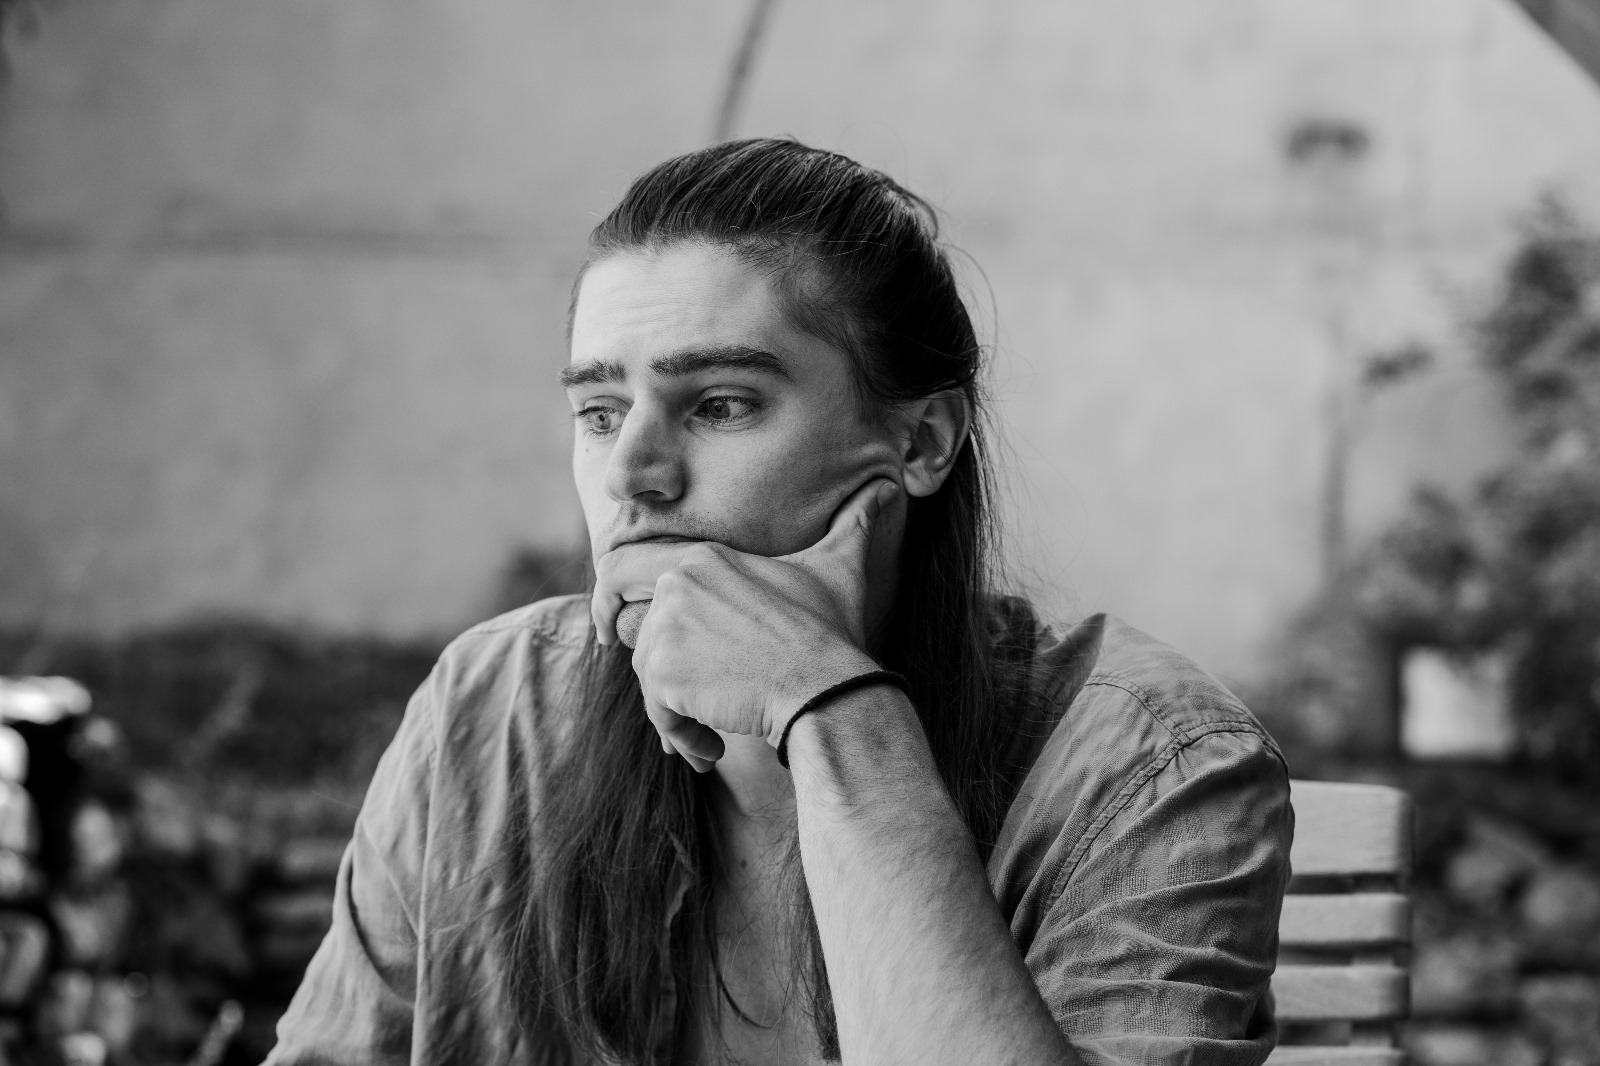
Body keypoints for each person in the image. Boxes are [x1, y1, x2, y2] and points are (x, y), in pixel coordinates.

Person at [264, 138, 1292, 1066]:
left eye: (719, 405)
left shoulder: (1150, 763)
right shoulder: (494, 710)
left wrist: (838, 712)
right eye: (600, 412)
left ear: (921, 441)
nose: (632, 474)